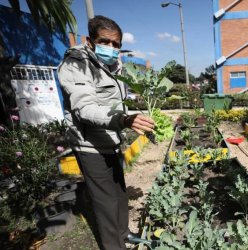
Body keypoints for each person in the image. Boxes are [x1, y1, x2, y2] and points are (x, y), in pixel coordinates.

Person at [58, 15, 155, 250]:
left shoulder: (114, 65)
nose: (111, 48)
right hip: (89, 144)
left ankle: (124, 234)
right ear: (89, 41)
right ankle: (114, 246)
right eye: (105, 41)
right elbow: (85, 108)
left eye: (116, 44)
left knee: (120, 194)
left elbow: (115, 103)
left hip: (111, 139)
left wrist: (134, 117)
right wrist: (123, 119)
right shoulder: (76, 64)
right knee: (106, 201)